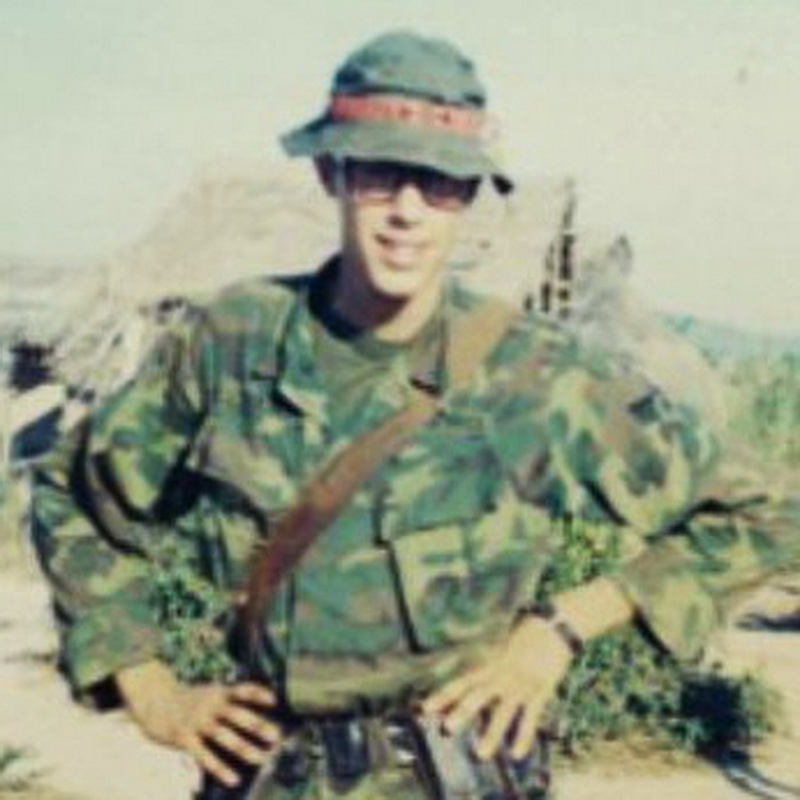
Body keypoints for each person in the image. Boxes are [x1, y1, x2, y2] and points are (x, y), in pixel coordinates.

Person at [31, 29, 800, 800]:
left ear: (467, 196)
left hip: (457, 776)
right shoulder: (232, 343)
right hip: (267, 778)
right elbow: (74, 493)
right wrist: (148, 684)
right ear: (332, 172)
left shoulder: (533, 374)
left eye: (439, 184)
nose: (407, 211)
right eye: (381, 175)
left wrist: (558, 630)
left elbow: (768, 512)